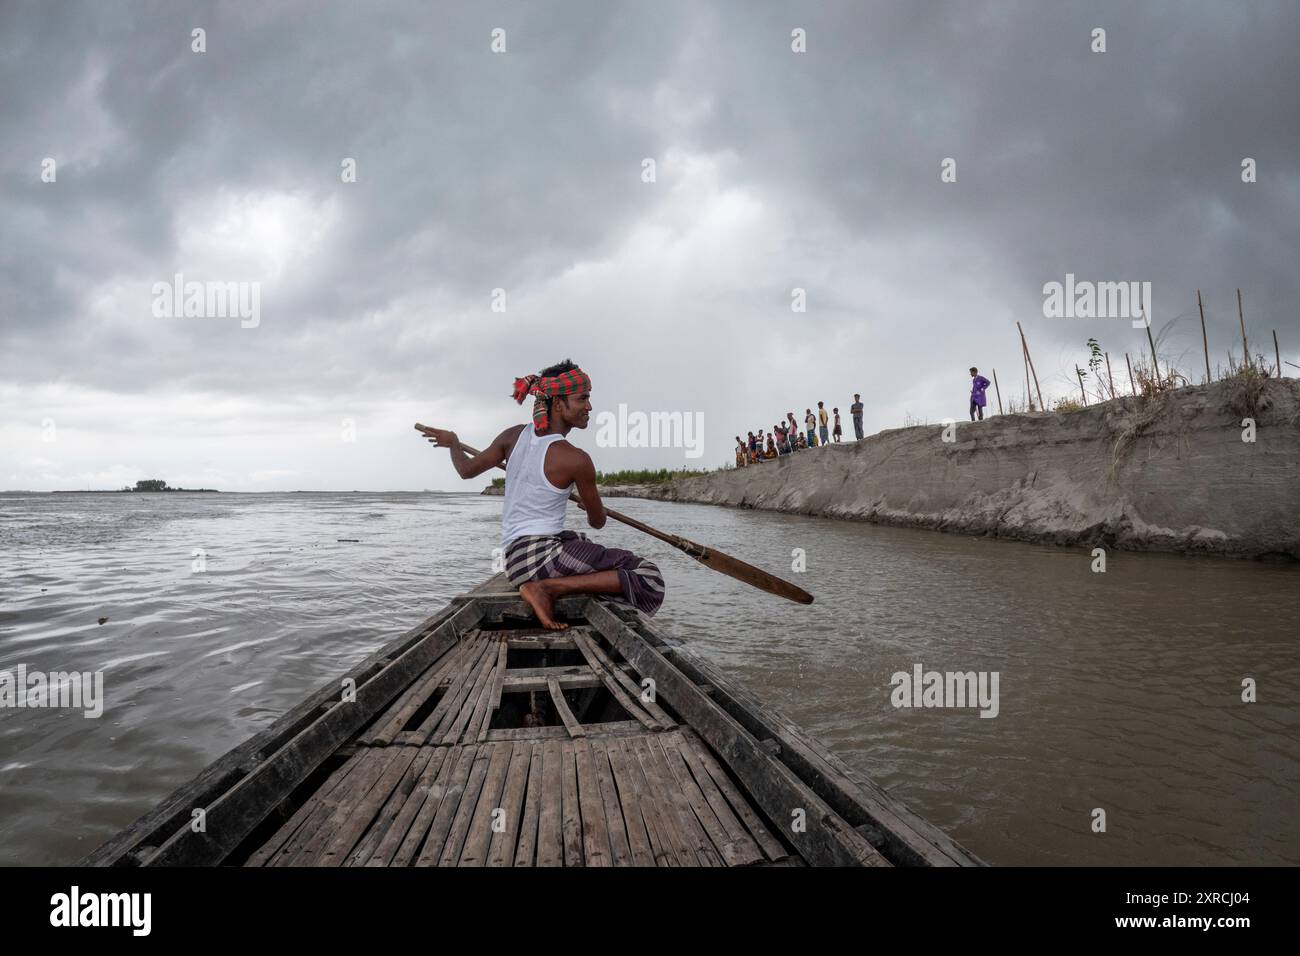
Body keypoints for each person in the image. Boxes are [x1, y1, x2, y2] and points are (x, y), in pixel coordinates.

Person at [419, 359, 664, 629]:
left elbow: (465, 470)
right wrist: (595, 506)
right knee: (648, 576)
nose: (589, 407)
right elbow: (598, 522)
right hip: (540, 561)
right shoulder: (577, 460)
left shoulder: (511, 437)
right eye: (583, 399)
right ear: (558, 404)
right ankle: (546, 588)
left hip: (514, 559)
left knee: (579, 542)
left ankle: (545, 586)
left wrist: (453, 443)